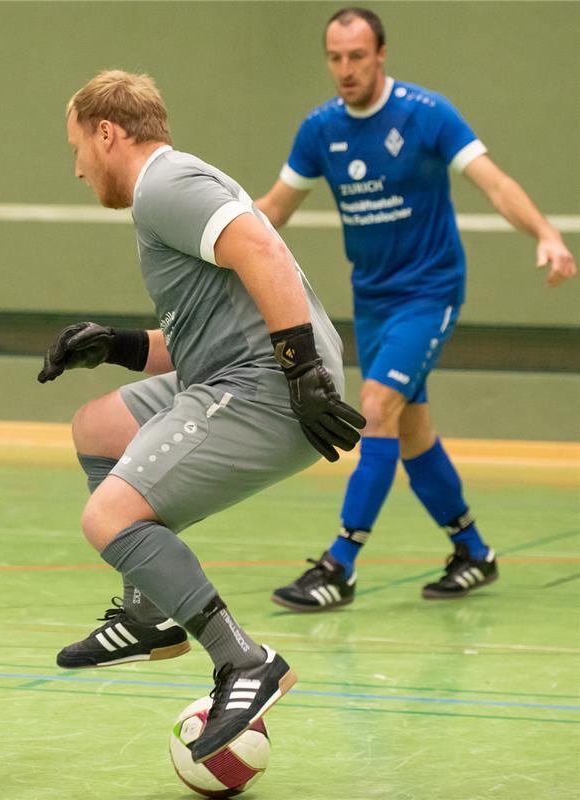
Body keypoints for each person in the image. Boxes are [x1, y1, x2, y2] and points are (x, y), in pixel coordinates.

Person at [41, 69, 363, 762]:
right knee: (96, 426)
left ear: (107, 132)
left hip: (268, 384)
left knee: (108, 518)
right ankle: (148, 613)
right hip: (237, 371)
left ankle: (245, 661)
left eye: (77, 148)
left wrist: (301, 368)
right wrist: (118, 347)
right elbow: (202, 336)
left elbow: (261, 247)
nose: (77, 168)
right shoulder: (172, 188)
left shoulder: (164, 185)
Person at [255, 7, 576, 611]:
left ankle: (339, 565)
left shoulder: (427, 115)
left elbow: (495, 182)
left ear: (381, 56)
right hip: (372, 300)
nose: (345, 70)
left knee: (375, 409)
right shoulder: (320, 130)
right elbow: (274, 207)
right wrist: (213, 236)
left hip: (429, 293)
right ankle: (473, 552)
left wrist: (546, 235)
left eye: (356, 57)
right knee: (411, 432)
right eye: (335, 58)